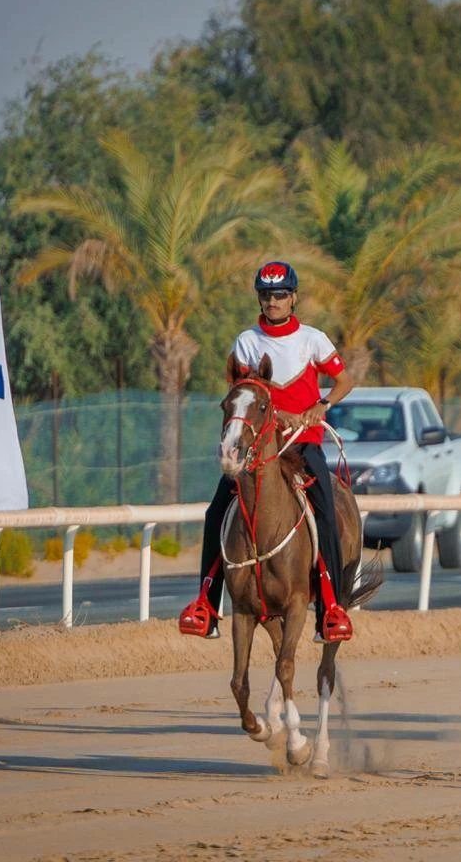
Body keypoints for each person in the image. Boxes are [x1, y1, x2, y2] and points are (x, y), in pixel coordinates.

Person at [178, 261, 356, 641]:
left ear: (293, 297)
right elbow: (242, 395)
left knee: (325, 509)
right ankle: (206, 606)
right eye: (265, 294)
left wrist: (320, 407)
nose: (272, 301)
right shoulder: (246, 341)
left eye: (279, 294)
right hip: (260, 450)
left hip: (303, 445)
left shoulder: (313, 339)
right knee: (216, 512)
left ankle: (331, 608)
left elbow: (344, 380)